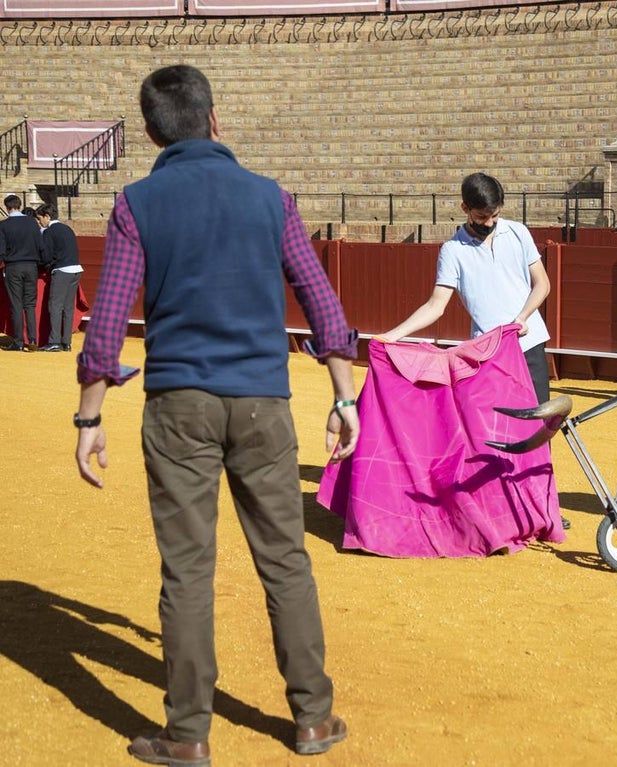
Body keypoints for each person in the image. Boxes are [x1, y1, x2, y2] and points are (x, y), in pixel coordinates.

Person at [73, 64, 358, 765]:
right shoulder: (272, 199)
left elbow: (107, 320)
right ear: (216, 119)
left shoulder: (138, 202)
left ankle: (189, 731)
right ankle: (314, 718)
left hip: (178, 404)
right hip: (264, 402)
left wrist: (89, 417)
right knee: (286, 560)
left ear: (150, 132)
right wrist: (344, 393)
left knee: (187, 571)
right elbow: (321, 301)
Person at [378, 171, 551, 405]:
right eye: (482, 217)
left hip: (529, 343)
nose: (489, 223)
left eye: (495, 216)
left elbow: (542, 284)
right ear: (465, 208)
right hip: (488, 353)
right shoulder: (453, 250)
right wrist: (393, 335)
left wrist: (522, 318)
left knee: (538, 424)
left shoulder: (517, 232)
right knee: (495, 429)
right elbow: (435, 306)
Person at [0, 193, 47, 351]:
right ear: (19, 205)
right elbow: (41, 246)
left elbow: (0, 251)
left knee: (16, 304)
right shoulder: (32, 223)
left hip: (13, 267)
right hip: (31, 267)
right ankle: (32, 339)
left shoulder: (3, 225)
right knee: (30, 304)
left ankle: (19, 342)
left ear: (7, 208)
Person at [34, 203, 83, 352]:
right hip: (76, 269)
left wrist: (43, 264)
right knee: (68, 307)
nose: (38, 221)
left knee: (55, 306)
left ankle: (54, 341)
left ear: (47, 217)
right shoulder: (67, 228)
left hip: (62, 271)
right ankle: (66, 342)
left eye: (39, 218)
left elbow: (47, 256)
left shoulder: (50, 232)